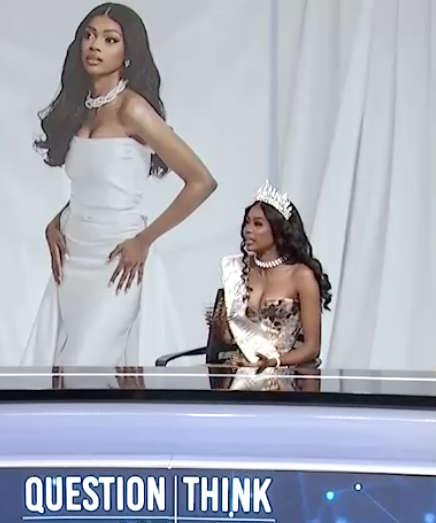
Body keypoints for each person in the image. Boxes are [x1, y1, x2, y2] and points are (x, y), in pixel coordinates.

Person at [22, 3, 216, 367]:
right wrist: (56, 221)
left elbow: (201, 181)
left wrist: (144, 240)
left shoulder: (133, 110)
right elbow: (95, 184)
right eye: (89, 35)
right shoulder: (81, 109)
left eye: (110, 39)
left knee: (87, 366)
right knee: (63, 370)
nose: (95, 45)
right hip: (72, 258)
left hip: (117, 260)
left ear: (128, 54)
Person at [207, 181, 332, 390]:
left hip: (283, 380)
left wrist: (273, 362)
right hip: (238, 377)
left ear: (278, 230)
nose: (248, 230)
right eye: (247, 223)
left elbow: (312, 349)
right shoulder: (237, 271)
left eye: (258, 224)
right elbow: (224, 342)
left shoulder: (301, 276)